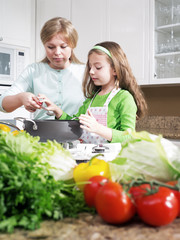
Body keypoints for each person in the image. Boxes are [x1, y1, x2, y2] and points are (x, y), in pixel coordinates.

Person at [39, 41, 147, 143]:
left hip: (112, 158)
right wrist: (57, 110)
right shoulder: (92, 99)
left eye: (98, 67)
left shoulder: (124, 98)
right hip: (89, 156)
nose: (91, 71)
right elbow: (74, 123)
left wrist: (98, 128)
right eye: (90, 67)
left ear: (115, 69)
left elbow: (128, 137)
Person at [0, 17, 85, 119]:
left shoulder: (86, 72)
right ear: (44, 45)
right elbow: (2, 104)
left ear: (73, 45)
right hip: (41, 133)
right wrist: (21, 98)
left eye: (63, 47)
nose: (57, 52)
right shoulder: (33, 71)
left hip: (77, 134)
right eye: (51, 47)